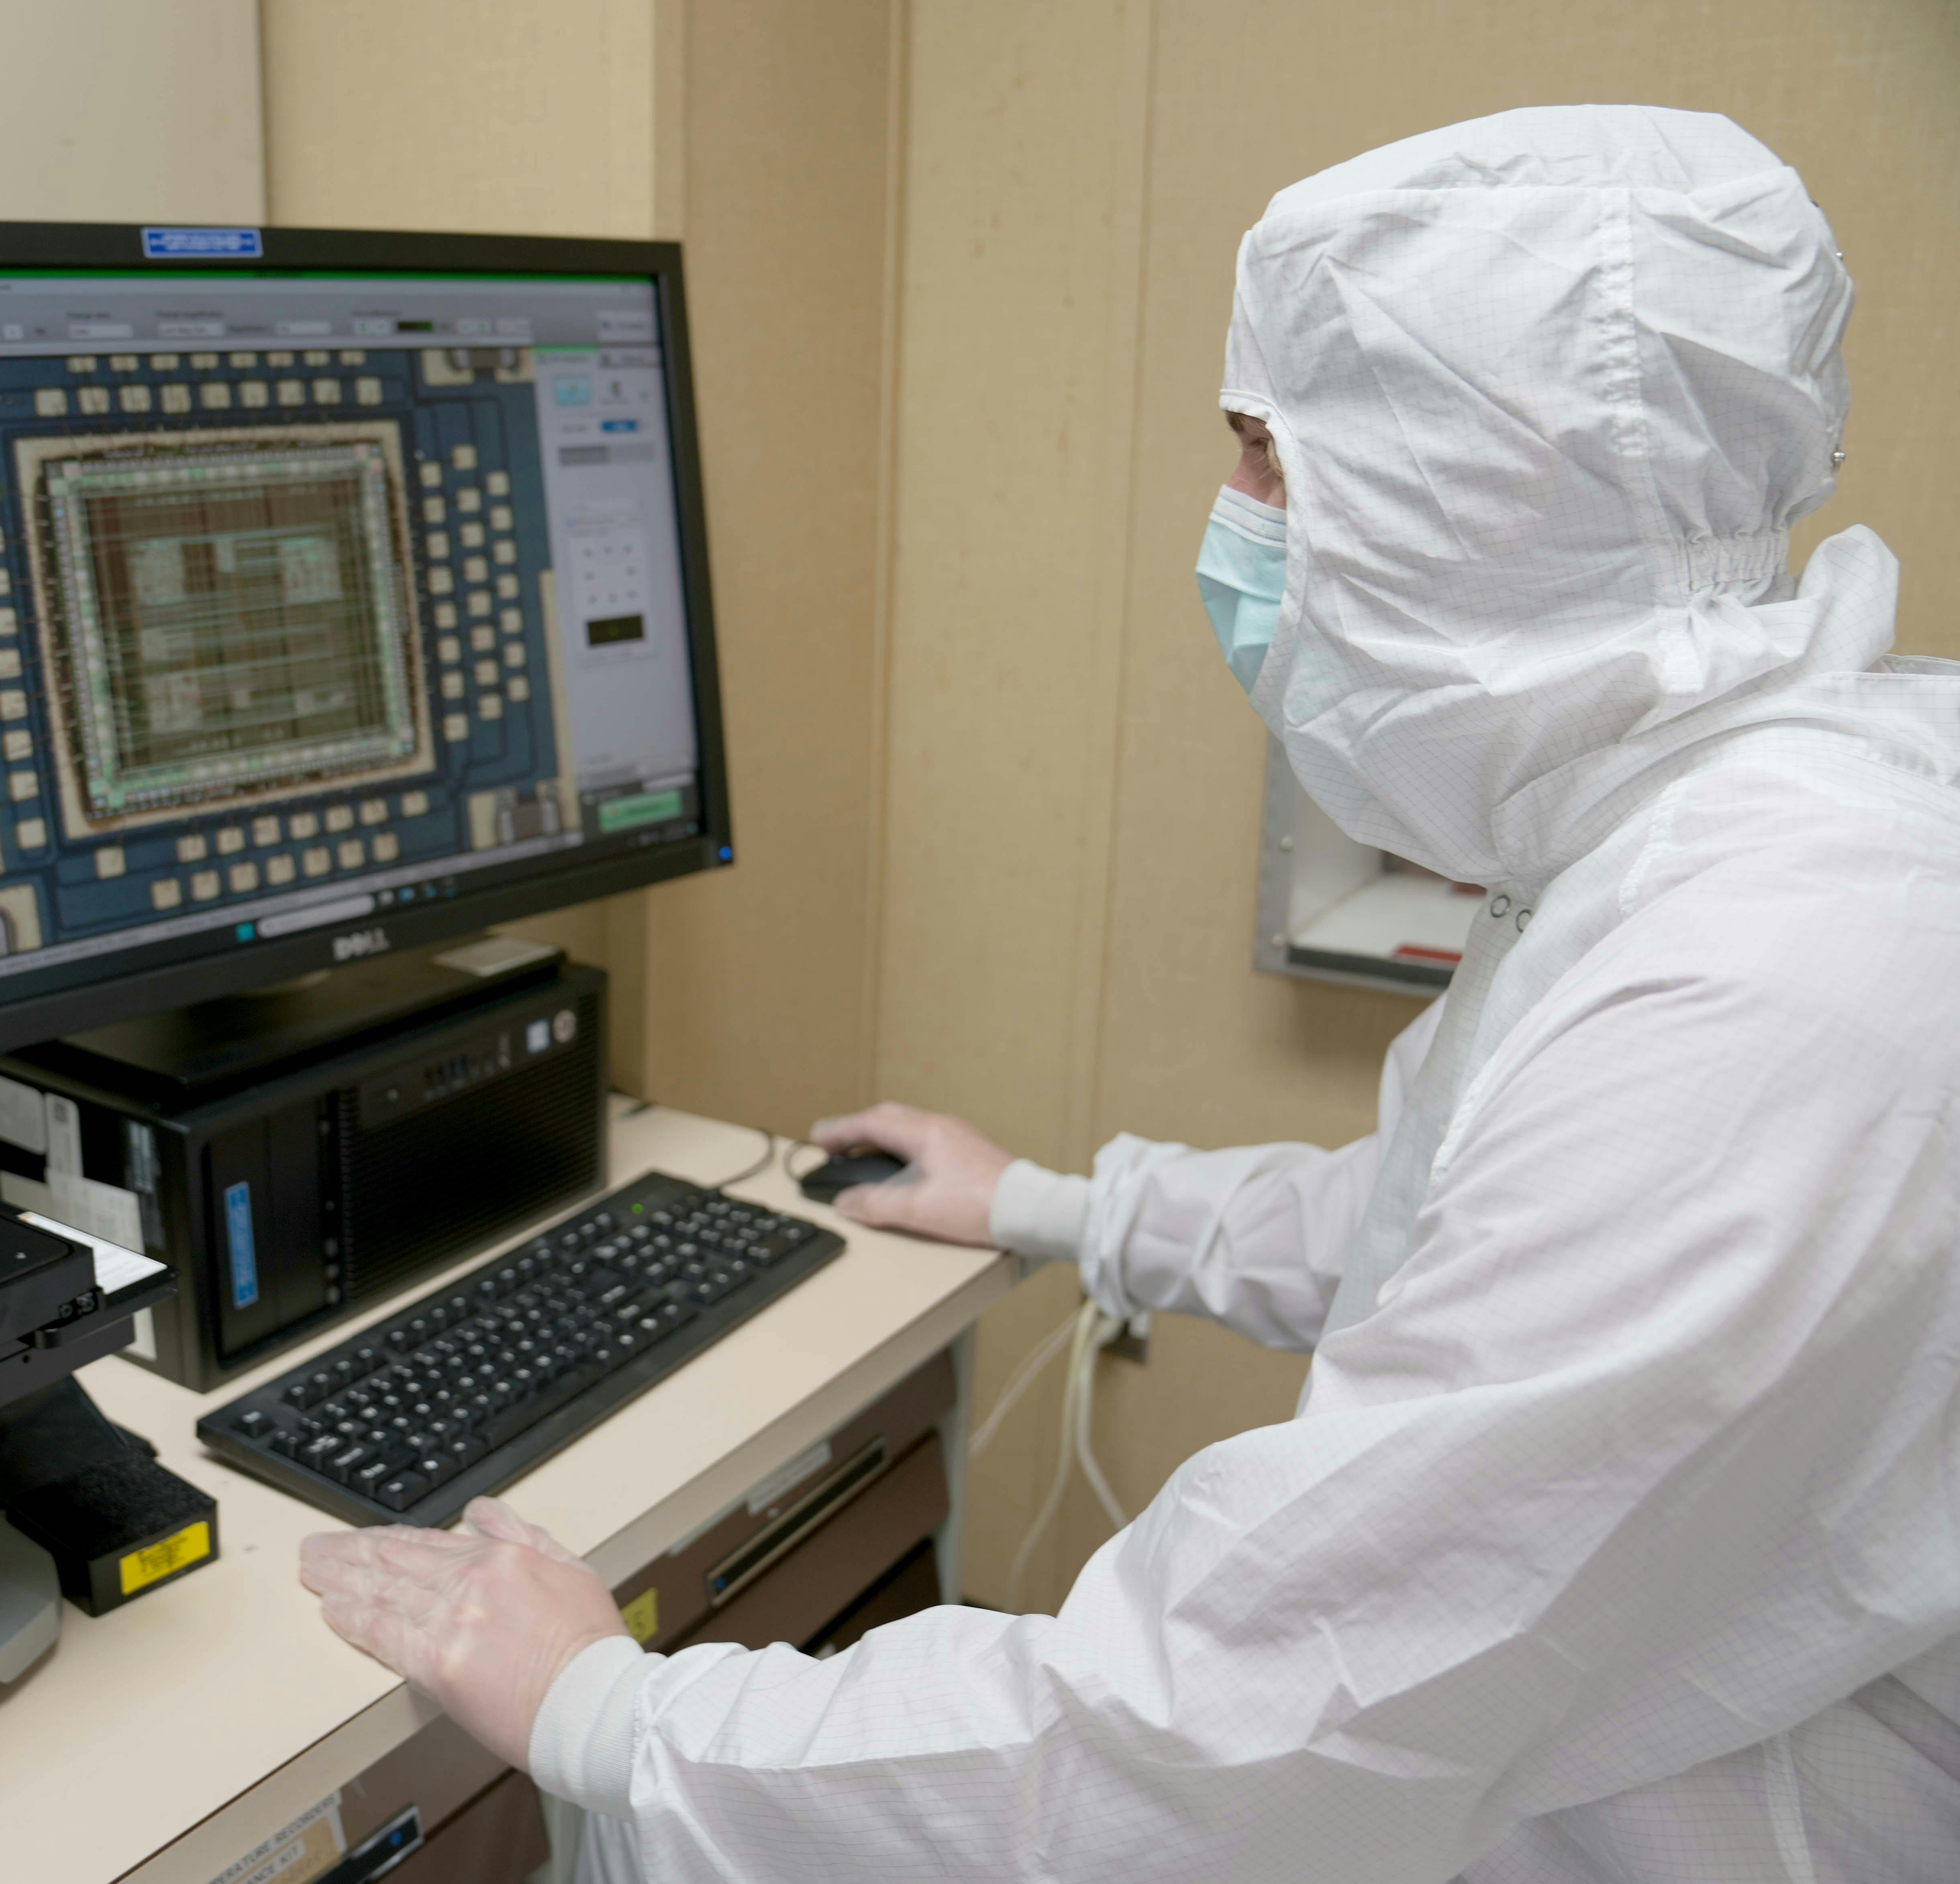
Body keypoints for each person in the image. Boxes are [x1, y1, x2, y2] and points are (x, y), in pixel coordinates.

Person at [299, 104, 1960, 1881]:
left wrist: (610, 1713)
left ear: (1491, 486)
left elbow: (1217, 1734)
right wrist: (1064, 1207)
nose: (1233, 525)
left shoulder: (1765, 988)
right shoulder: (1720, 823)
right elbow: (1451, 1233)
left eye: (1268, 452)